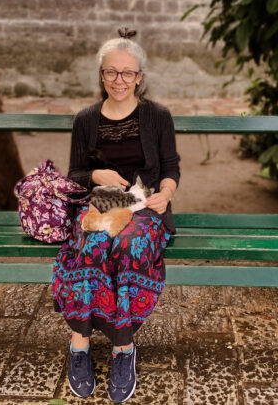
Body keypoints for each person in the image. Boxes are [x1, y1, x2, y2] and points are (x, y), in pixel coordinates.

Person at [52, 28, 180, 403]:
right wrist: (96, 175)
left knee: (127, 244)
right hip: (99, 204)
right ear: (102, 75)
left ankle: (123, 349)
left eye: (128, 73)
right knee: (91, 241)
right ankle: (80, 344)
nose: (120, 80)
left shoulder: (157, 116)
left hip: (144, 207)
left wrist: (166, 194)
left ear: (139, 77)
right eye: (112, 72)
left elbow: (171, 166)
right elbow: (74, 174)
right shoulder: (86, 119)